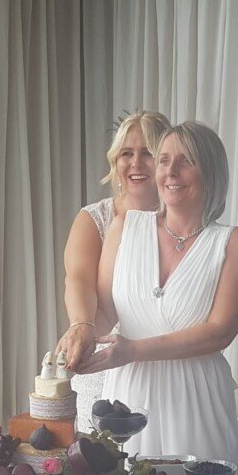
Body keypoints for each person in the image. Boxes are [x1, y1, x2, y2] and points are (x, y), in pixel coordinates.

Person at [76, 122, 238, 475]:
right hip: (129, 401)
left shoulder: (235, 242)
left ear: (210, 172)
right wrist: (80, 328)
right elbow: (105, 311)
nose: (170, 172)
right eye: (164, 161)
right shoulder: (124, 227)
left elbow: (220, 332)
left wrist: (132, 350)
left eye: (185, 161)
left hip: (198, 398)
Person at [55, 111, 170, 432]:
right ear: (114, 162)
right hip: (107, 356)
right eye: (127, 154)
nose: (136, 163)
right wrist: (82, 323)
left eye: (148, 152)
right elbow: (78, 278)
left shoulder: (182, 222)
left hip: (169, 359)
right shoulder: (95, 218)